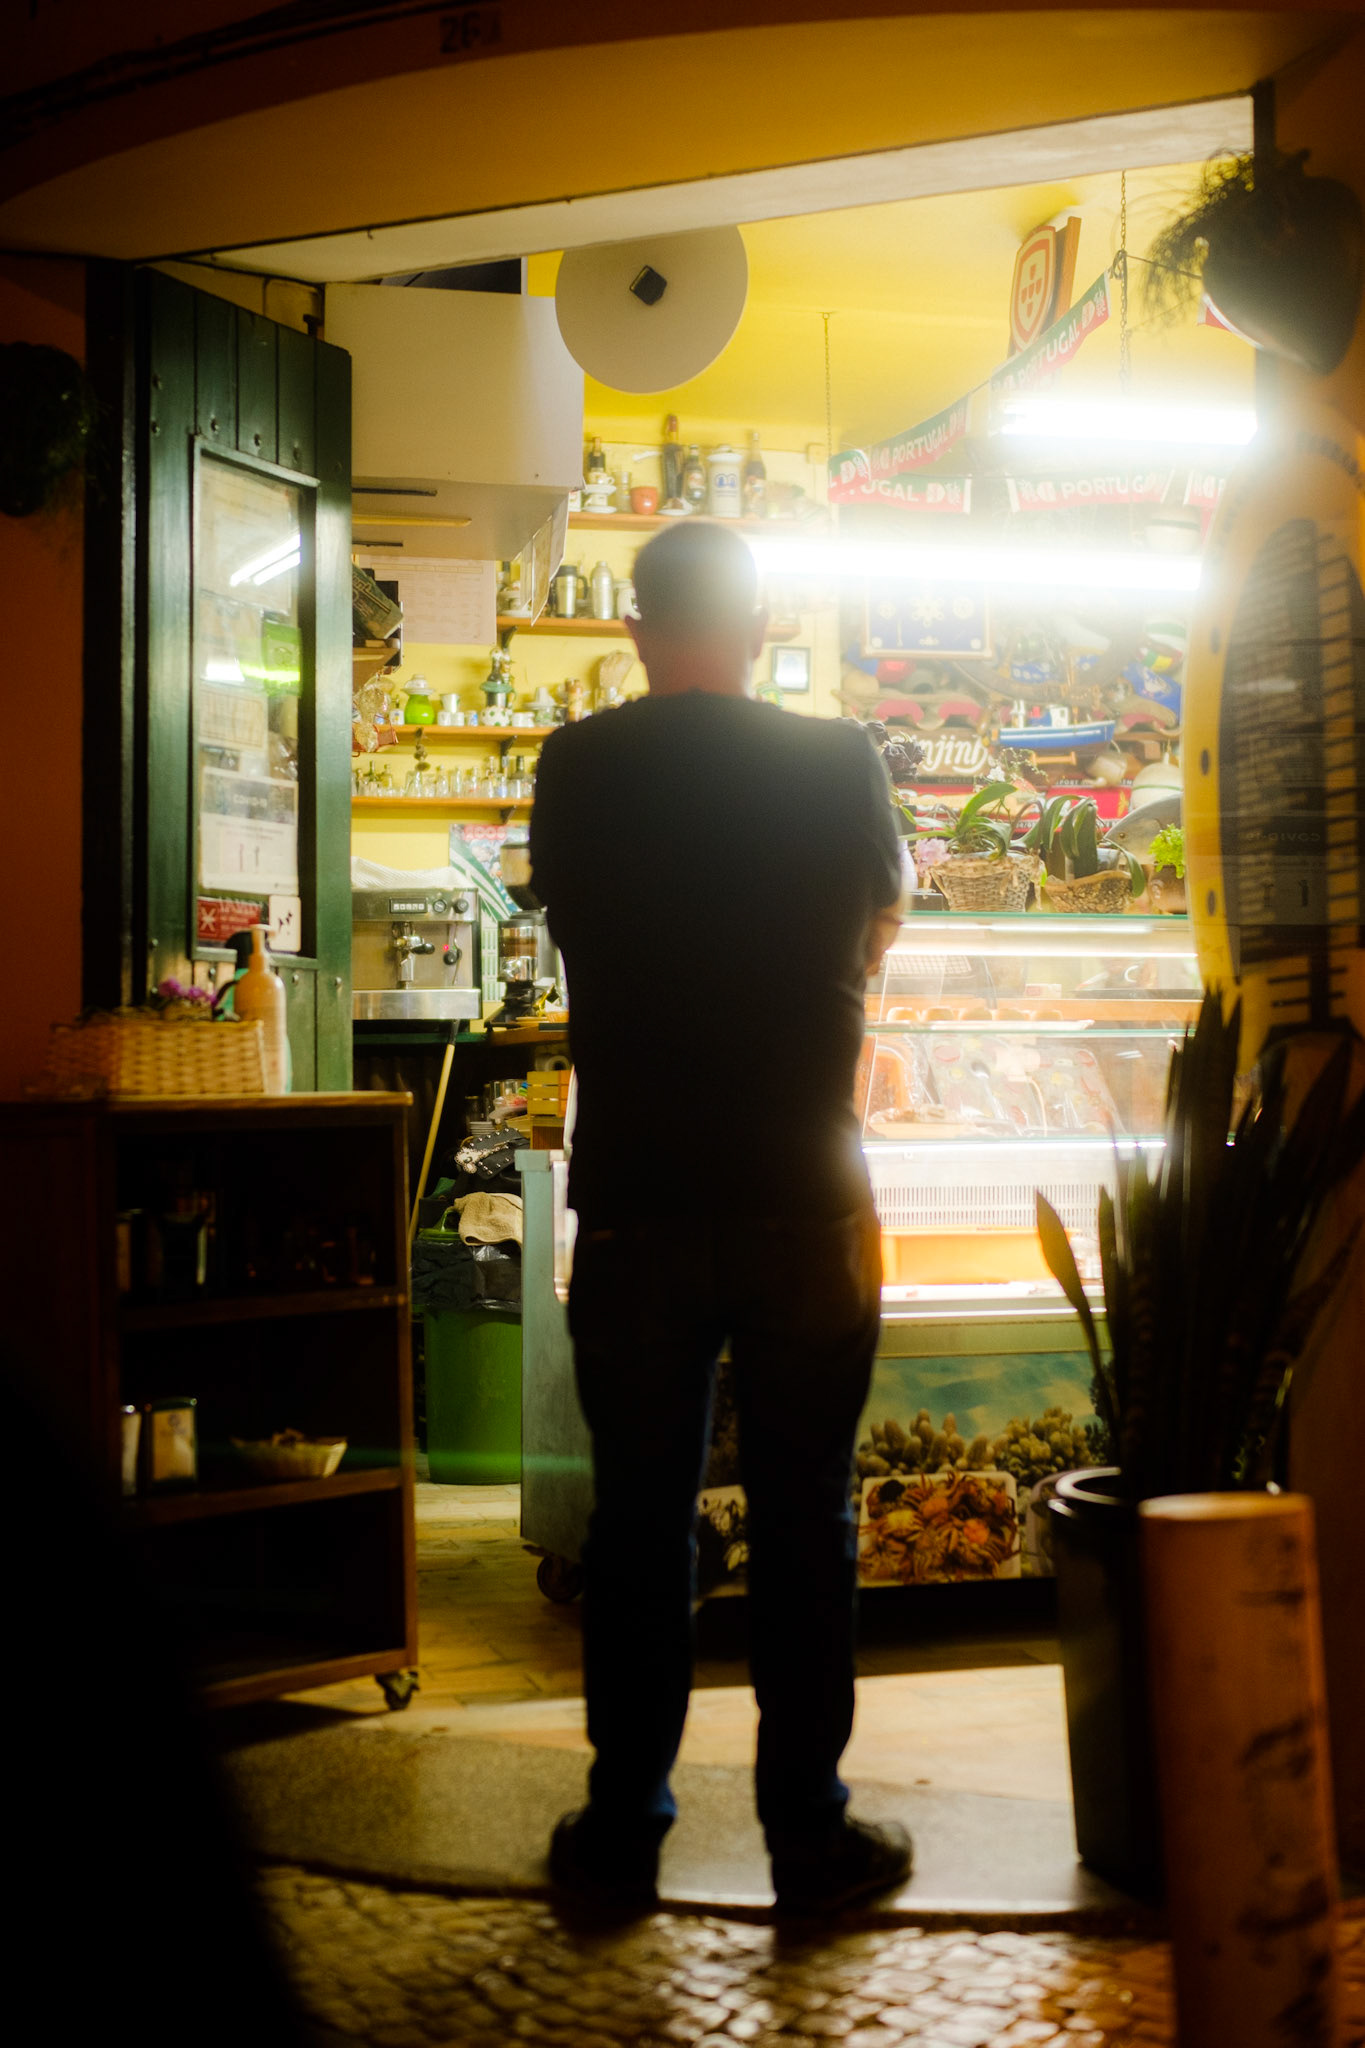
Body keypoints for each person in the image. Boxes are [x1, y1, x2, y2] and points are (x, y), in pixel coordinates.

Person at [528, 518, 909, 1915]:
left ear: (635, 630)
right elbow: (882, 924)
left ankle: (622, 1832)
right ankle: (807, 1834)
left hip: (637, 1192)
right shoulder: (839, 758)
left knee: (638, 1524)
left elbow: (569, 922)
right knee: (808, 1516)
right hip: (808, 1190)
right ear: (758, 629)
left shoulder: (576, 764)